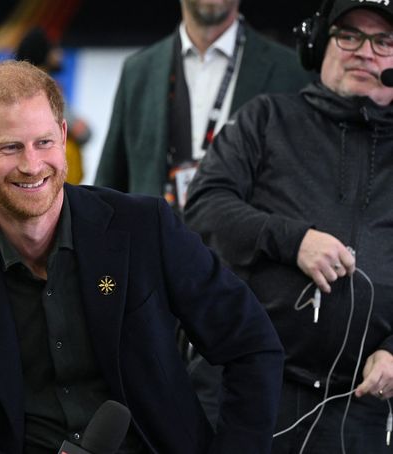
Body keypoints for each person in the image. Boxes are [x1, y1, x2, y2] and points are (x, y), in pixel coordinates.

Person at [0, 59, 284, 454]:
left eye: (43, 142)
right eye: (10, 147)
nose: (31, 165)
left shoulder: (144, 227)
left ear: (63, 136)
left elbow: (250, 341)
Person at [185, 1, 393, 452]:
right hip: (245, 387)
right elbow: (203, 208)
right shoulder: (265, 119)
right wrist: (292, 240)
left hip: (356, 411)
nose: (365, 52)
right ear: (319, 43)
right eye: (349, 35)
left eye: (383, 41)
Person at [95, 0, 312, 213]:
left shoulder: (292, 74)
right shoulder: (138, 71)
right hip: (151, 245)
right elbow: (107, 190)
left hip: (248, 246)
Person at [14, 26, 92, 185]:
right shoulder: (43, 86)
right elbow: (82, 132)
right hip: (55, 173)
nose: (60, 54)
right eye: (55, 49)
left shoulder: (18, 83)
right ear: (42, 51)